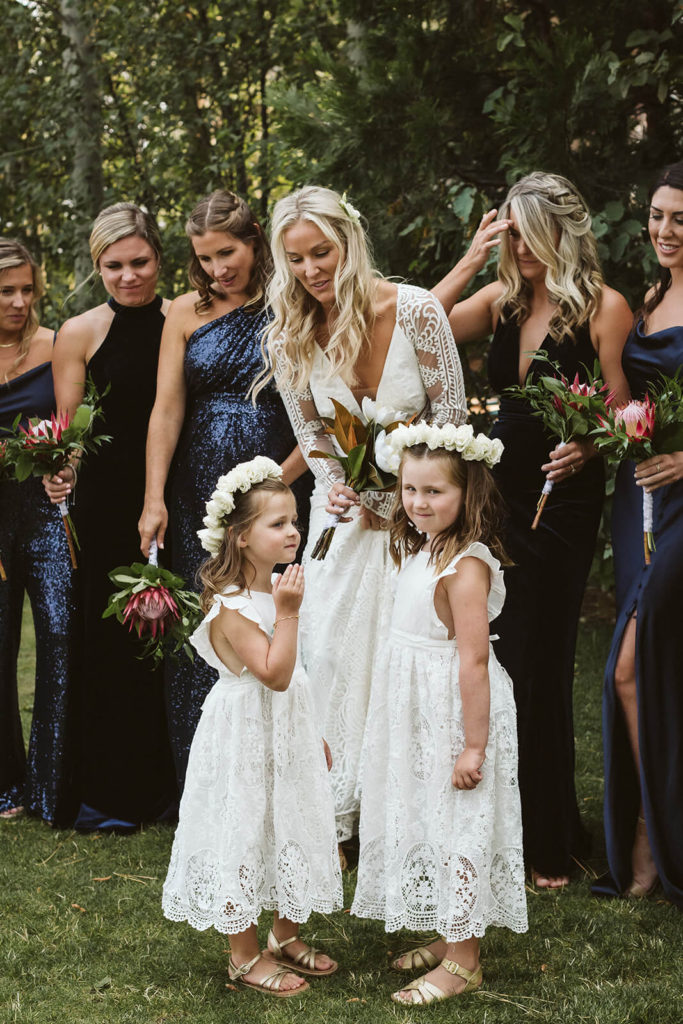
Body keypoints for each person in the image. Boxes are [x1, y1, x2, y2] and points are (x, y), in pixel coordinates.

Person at [433, 172, 631, 887]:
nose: (514, 246)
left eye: (523, 232)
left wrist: (588, 444)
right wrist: (469, 257)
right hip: (495, 499)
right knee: (498, 658)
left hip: (562, 506)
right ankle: (499, 828)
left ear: (559, 230)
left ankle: (549, 839)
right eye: (506, 233)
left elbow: (622, 413)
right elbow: (418, 324)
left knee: (541, 661)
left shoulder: (603, 309)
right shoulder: (500, 301)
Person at [256, 185, 467, 848]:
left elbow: (452, 417)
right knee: (339, 660)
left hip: (424, 516)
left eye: (321, 252)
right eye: (295, 259)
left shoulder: (416, 311)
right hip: (346, 514)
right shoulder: (289, 335)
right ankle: (341, 817)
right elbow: (315, 438)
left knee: (414, 662)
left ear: (350, 242)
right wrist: (361, 494)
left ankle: (412, 813)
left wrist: (408, 500)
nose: (312, 270)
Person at [138, 190, 311, 791]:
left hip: (279, 485)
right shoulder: (185, 311)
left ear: (256, 240)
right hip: (195, 493)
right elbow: (165, 409)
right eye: (206, 257)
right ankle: (203, 785)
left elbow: (320, 409)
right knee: (207, 622)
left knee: (275, 614)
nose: (218, 268)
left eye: (228, 252)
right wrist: (154, 497)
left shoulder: (291, 303)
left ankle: (283, 783)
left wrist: (277, 483)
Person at [351, 424, 527, 1005]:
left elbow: (473, 660)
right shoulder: (424, 545)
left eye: (435, 493)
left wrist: (474, 745)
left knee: (460, 825)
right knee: (427, 815)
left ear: (467, 493)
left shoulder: (466, 567)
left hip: (455, 710)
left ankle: (466, 959)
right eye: (410, 489)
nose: (419, 503)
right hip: (416, 708)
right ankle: (449, 936)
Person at [162, 457, 342, 996]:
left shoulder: (275, 589)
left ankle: (284, 936)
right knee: (243, 831)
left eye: (294, 520)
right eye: (278, 524)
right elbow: (275, 674)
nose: (293, 532)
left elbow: (297, 683)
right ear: (240, 537)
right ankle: (243, 956)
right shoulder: (232, 605)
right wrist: (287, 611)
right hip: (243, 735)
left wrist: (312, 735)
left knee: (293, 822)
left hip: (285, 733)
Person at [44, 203, 177, 830]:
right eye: (114, 266)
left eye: (140, 262)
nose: (129, 276)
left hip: (180, 487)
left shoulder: (185, 318)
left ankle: (172, 787)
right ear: (98, 267)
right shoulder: (79, 332)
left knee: (178, 640)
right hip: (106, 504)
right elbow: (70, 429)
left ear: (159, 257)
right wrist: (57, 467)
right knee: (116, 642)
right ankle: (111, 793)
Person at [594, 161, 683, 908]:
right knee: (643, 662)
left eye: (678, 219)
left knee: (635, 661)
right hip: (637, 497)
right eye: (656, 215)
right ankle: (644, 835)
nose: (663, 231)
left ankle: (652, 843)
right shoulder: (650, 295)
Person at [0, 239, 77, 825]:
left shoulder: (57, 344)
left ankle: (53, 784)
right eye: (7, 291)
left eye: (28, 289)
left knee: (59, 637)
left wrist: (69, 463)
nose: (20, 302)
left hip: (49, 512)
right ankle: (8, 784)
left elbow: (80, 420)